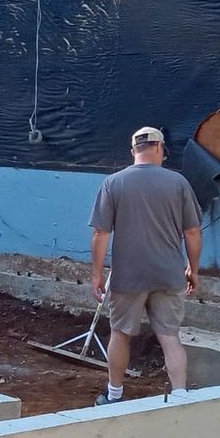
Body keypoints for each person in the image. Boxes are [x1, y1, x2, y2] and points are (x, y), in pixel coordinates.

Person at [89, 126, 202, 404]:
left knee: (120, 333)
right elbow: (193, 232)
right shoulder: (178, 183)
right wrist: (193, 269)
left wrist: (96, 275)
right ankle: (179, 396)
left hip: (128, 277)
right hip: (168, 275)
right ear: (160, 149)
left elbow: (101, 234)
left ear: (133, 152)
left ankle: (114, 396)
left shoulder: (114, 183)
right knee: (169, 336)